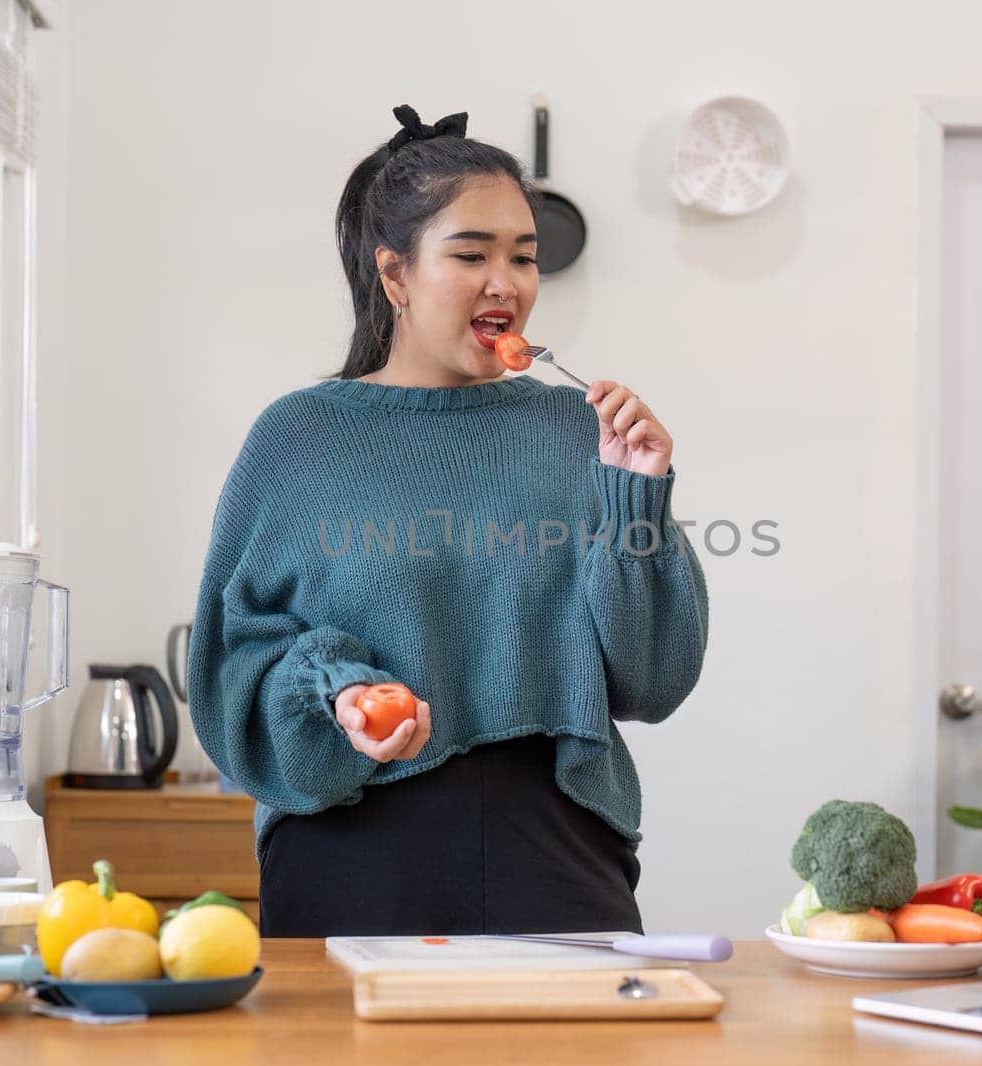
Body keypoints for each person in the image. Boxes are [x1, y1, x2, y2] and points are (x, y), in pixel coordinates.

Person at [187, 105, 710, 937]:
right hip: (346, 841)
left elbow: (651, 682)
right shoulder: (298, 438)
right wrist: (339, 690)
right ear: (394, 274)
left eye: (524, 257)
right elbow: (232, 664)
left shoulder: (582, 434)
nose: (505, 282)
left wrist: (635, 495)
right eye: (471, 254)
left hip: (558, 842)